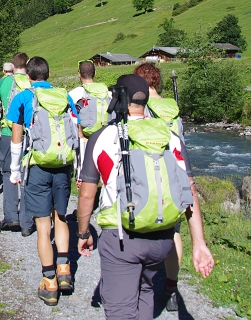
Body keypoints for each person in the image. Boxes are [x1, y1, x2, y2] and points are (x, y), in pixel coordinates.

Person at [76, 74, 214, 320]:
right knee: (145, 290)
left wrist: (84, 233)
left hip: (121, 237)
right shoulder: (170, 138)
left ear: (119, 98)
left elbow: (87, 194)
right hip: (161, 239)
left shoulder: (104, 137)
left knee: (120, 310)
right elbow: (189, 190)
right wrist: (199, 243)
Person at [6, 56, 80, 306]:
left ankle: (49, 282)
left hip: (37, 166)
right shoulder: (64, 96)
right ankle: (64, 270)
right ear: (48, 74)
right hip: (62, 165)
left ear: (28, 76)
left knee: (42, 224)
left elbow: (17, 136)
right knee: (61, 216)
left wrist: (15, 170)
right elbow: (76, 130)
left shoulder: (24, 97)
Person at [134, 62, 188, 311]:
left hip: (150, 176)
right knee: (174, 231)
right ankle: (171, 286)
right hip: (176, 175)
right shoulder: (172, 108)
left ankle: (141, 281)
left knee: (143, 228)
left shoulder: (142, 110)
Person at [0, 53, 30, 232]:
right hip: (30, 134)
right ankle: (27, 221)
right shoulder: (31, 81)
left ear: (12, 65)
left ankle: (11, 217)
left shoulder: (2, 83)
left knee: (9, 171)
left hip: (7, 133)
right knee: (27, 173)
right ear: (27, 65)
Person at [68, 60, 112, 185]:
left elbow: (71, 116)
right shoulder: (107, 93)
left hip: (85, 138)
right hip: (105, 136)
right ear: (95, 73)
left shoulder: (74, 94)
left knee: (85, 173)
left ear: (79, 74)